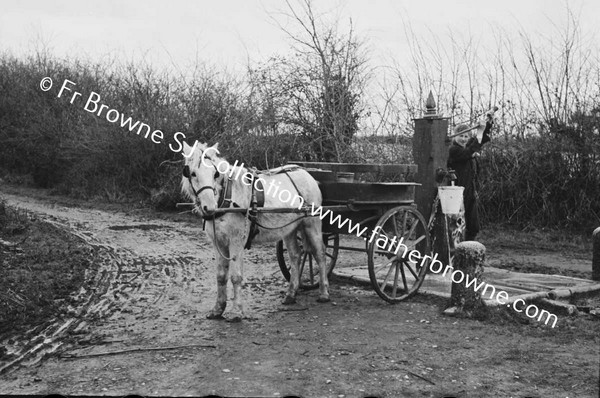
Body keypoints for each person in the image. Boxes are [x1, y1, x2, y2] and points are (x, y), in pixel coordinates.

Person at [447, 119, 493, 241]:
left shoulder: (466, 148)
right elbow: (469, 151)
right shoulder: (454, 150)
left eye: (466, 136)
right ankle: (457, 246)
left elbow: (476, 142)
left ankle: (468, 244)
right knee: (457, 223)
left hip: (469, 189)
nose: (463, 139)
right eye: (460, 136)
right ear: (455, 137)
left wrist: (486, 125)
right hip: (457, 190)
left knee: (473, 223)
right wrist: (479, 133)